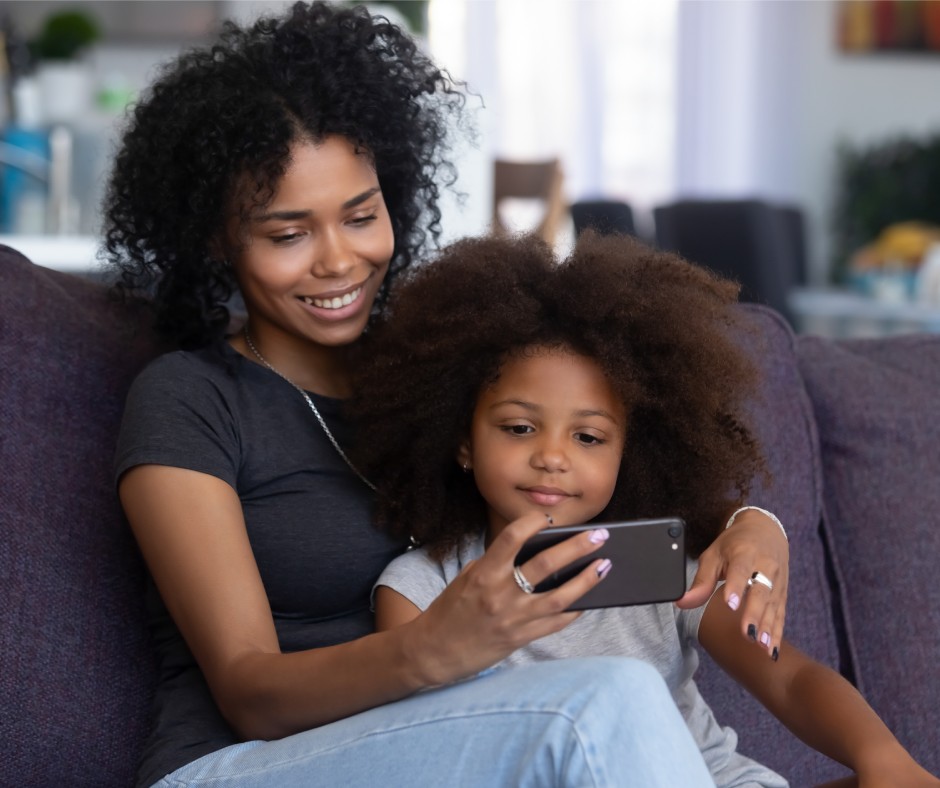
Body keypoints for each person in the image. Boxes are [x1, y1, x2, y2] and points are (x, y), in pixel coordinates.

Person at [106, 3, 791, 786]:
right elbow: (248, 692)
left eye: (362, 215)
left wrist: (753, 524)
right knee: (599, 705)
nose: (339, 260)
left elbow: (603, 466)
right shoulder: (191, 399)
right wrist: (435, 647)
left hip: (442, 747)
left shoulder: (443, 370)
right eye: (289, 233)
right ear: (216, 239)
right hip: (243, 766)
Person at [359, 232, 940, 788]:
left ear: (628, 453)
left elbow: (788, 677)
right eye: (519, 428)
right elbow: (442, 753)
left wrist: (884, 760)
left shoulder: (663, 572)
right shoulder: (418, 592)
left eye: (588, 437)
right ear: (461, 440)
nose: (552, 457)